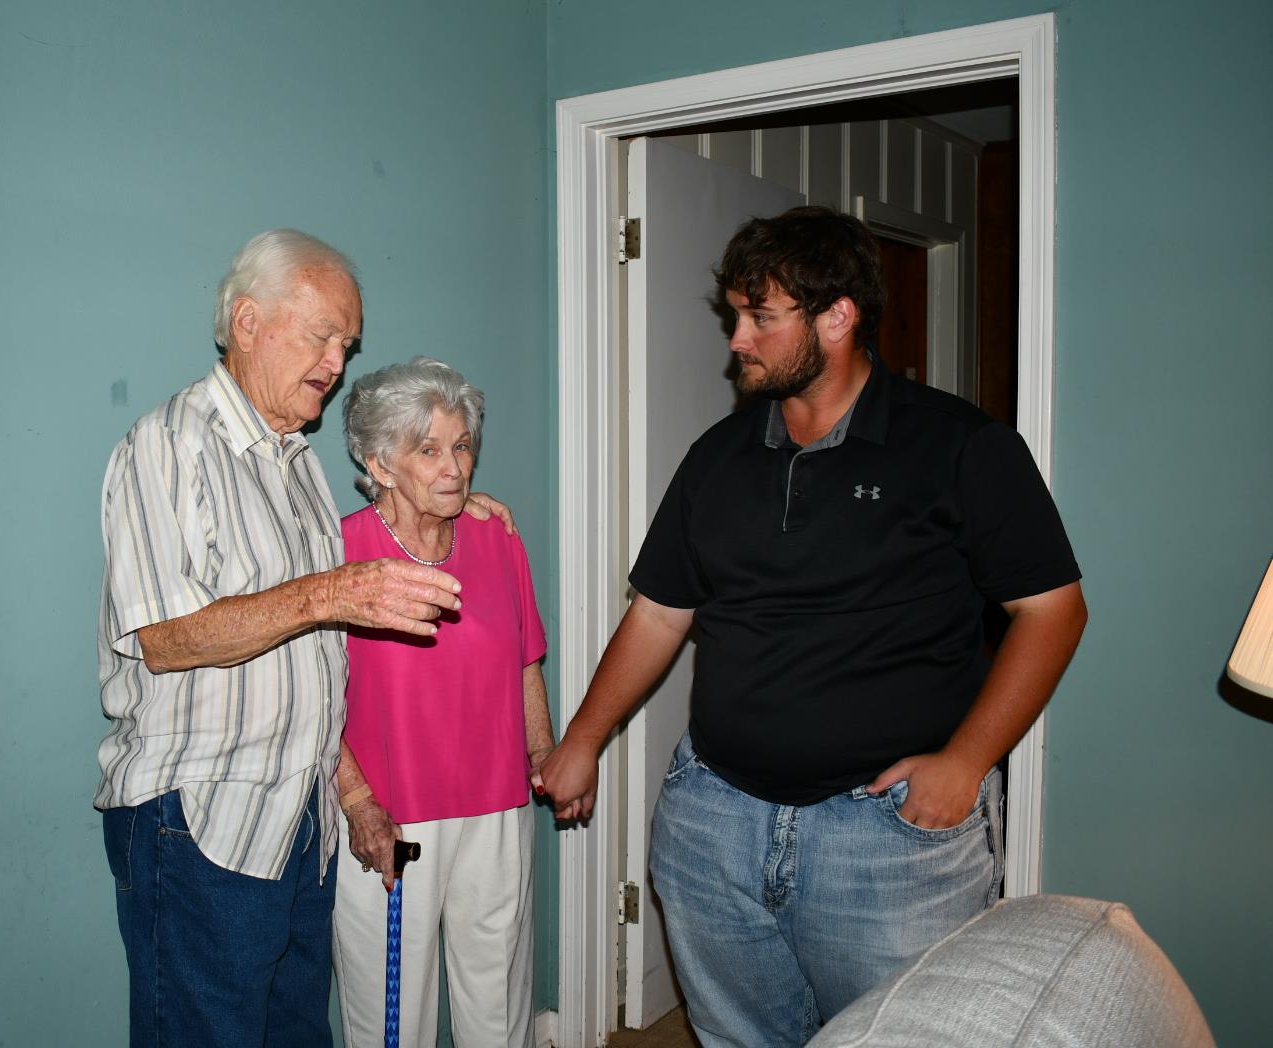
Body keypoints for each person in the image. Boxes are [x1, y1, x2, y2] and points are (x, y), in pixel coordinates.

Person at [539, 206, 1088, 1047]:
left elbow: (1052, 610)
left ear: (837, 316)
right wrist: (582, 737)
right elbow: (659, 611)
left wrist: (967, 762)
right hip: (714, 818)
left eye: (761, 316)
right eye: (734, 315)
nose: (738, 339)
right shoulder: (715, 459)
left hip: (889, 838)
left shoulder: (960, 447)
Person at [93, 231, 511, 1047]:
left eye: (347, 344)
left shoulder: (296, 464)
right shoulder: (172, 446)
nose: (336, 361)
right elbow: (168, 639)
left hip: (297, 820)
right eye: (322, 336)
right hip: (201, 819)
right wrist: (333, 591)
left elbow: (309, 662)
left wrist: (353, 799)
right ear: (247, 322)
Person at [330, 357, 552, 1048]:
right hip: (390, 817)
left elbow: (524, 662)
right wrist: (357, 799)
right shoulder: (339, 551)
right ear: (379, 461)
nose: (454, 466)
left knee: (500, 1005)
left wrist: (542, 753)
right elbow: (309, 698)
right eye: (428, 450)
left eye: (462, 446)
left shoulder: (497, 537)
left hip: (498, 807)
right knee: (392, 1016)